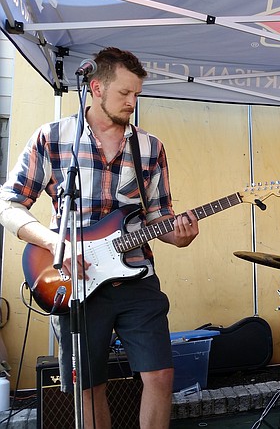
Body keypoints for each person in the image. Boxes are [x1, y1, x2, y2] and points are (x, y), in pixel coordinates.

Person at [0, 47, 199, 429]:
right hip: (73, 278)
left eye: (137, 94)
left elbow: (160, 216)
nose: (132, 102)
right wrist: (54, 242)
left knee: (159, 376)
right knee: (88, 387)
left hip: (136, 276)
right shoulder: (53, 138)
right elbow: (9, 204)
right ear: (95, 88)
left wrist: (180, 235)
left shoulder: (151, 147)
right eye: (125, 93)